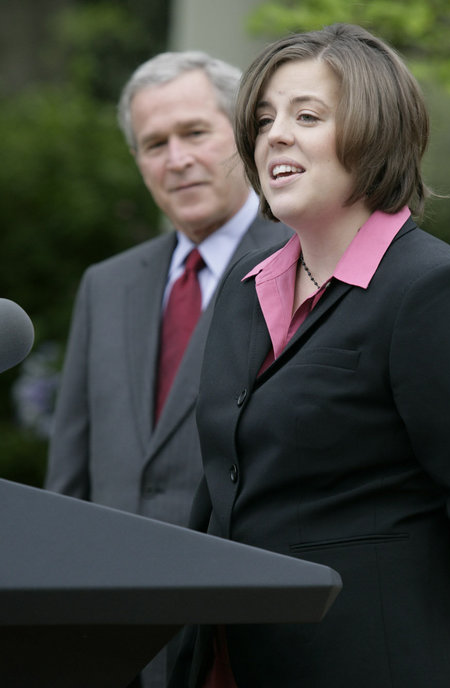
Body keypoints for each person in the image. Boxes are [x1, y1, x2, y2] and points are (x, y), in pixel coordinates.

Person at [171, 24, 450, 688]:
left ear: (374, 134)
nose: (274, 134)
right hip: (228, 663)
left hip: (375, 661)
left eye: (307, 115)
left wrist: (391, 573)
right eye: (264, 118)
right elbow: (223, 487)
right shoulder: (245, 289)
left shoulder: (430, 288)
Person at [44, 50, 291, 688]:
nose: (176, 158)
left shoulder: (301, 264)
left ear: (243, 134)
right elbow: (70, 476)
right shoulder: (107, 284)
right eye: (154, 144)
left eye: (194, 133)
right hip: (115, 642)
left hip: (244, 640)